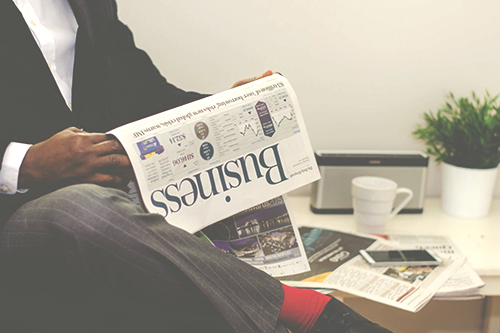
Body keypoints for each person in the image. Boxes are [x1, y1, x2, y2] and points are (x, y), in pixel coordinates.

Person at [0, 1, 394, 332]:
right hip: (20, 218)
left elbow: (144, 96)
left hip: (116, 213)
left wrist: (225, 108)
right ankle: (311, 313)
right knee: (80, 208)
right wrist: (25, 163)